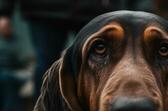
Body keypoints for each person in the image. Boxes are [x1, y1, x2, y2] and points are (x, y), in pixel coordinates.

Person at [0, 0, 153, 101]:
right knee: (46, 67)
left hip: (91, 8)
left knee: (99, 65)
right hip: (44, 8)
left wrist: (143, 8)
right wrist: (4, 11)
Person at [0, 18, 25, 111]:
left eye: (6, 27)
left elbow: (22, 59)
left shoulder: (18, 41)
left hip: (16, 71)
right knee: (5, 78)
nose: (4, 29)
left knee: (7, 78)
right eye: (2, 28)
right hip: (3, 71)